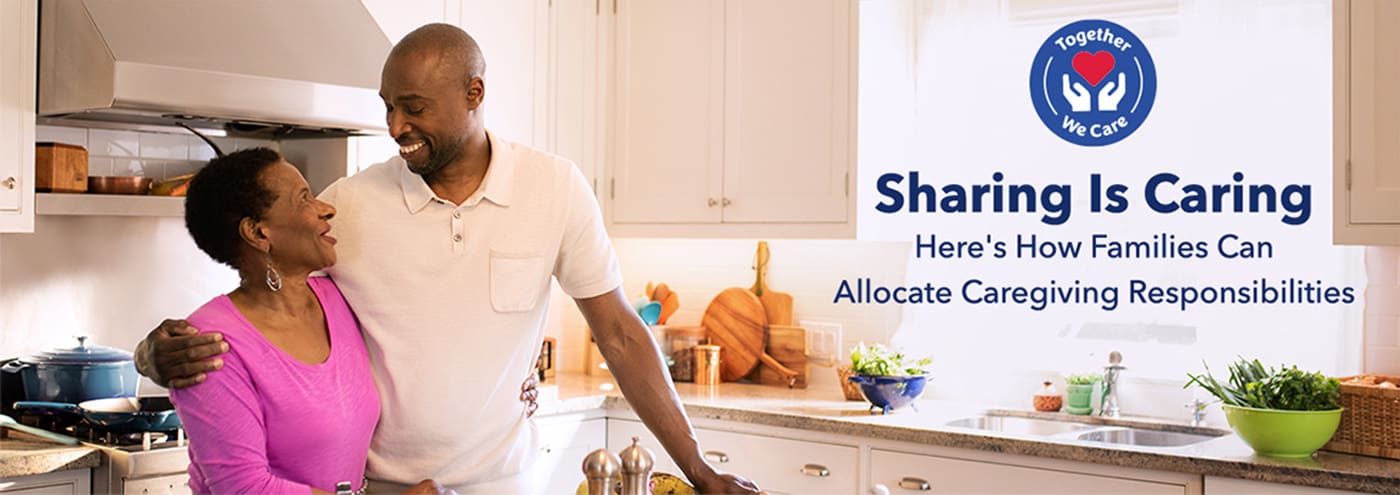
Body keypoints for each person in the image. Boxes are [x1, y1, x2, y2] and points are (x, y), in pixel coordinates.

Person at [136, 23, 762, 494]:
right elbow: (258, 295)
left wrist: (698, 468)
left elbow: (621, 335)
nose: (395, 125)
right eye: (386, 106)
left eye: (413, 106)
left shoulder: (555, 188)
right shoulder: (348, 207)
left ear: (474, 92)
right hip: (380, 488)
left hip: (504, 483)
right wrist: (152, 356)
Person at [171, 148, 447, 495]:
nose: (327, 209)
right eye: (304, 199)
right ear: (258, 233)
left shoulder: (339, 298)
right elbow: (244, 489)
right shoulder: (208, 344)